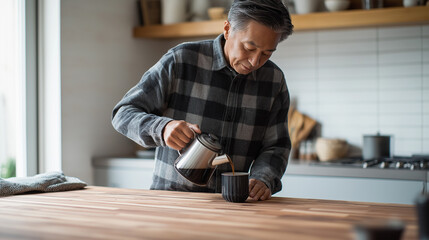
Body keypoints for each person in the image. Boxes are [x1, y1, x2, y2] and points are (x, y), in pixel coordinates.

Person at [112, 0, 293, 201]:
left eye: (267, 53)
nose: (255, 62)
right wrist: (162, 128)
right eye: (249, 48)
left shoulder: (274, 80)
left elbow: (277, 146)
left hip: (234, 206)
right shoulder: (181, 60)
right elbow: (123, 113)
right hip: (171, 202)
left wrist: (263, 179)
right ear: (227, 29)